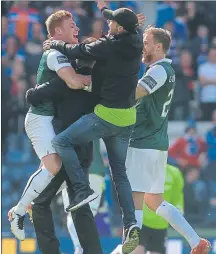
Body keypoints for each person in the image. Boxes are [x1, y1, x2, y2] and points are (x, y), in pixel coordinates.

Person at [44, 0, 143, 252]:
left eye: (111, 23)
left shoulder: (108, 46)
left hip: (106, 117)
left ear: (119, 29)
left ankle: (81, 188)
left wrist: (54, 44)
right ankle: (131, 223)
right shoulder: (136, 37)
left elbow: (75, 52)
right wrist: (104, 8)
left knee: (61, 141)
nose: (107, 24)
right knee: (119, 173)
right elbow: (119, 19)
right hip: (128, 118)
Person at [125, 25, 211, 254]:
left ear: (159, 46)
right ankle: (195, 241)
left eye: (146, 42)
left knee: (136, 194)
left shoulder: (160, 70)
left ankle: (132, 241)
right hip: (157, 142)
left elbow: (137, 92)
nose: (143, 46)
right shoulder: (162, 70)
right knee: (154, 201)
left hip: (144, 140)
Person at [8, 10, 91, 241]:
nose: (77, 28)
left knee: (60, 166)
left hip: (50, 120)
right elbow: (74, 81)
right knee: (54, 165)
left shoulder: (63, 52)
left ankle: (55, 203)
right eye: (71, 24)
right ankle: (19, 211)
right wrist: (101, 84)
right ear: (57, 32)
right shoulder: (55, 54)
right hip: (39, 119)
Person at [23, 42, 103, 254]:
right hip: (85, 153)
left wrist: (36, 89)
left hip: (65, 153)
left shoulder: (64, 83)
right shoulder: (98, 86)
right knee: (80, 206)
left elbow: (32, 96)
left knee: (40, 202)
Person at [111, 164, 184, 254]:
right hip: (142, 221)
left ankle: (120, 250)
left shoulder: (174, 172)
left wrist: (179, 211)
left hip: (161, 224)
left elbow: (178, 197)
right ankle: (120, 250)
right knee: (137, 251)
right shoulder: (144, 168)